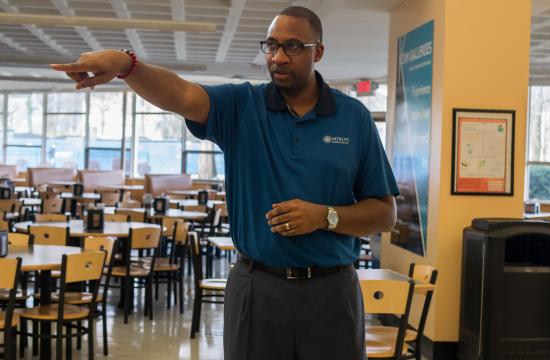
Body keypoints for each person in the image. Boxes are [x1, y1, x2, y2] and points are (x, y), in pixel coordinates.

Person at [50, 6, 399, 360]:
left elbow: (385, 214)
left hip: (332, 291)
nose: (278, 57)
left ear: (317, 52)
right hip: (257, 287)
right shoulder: (242, 105)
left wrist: (325, 216)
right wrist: (127, 65)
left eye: (292, 46)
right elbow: (181, 95)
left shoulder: (353, 117)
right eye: (271, 46)